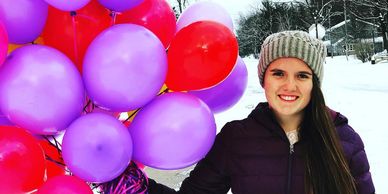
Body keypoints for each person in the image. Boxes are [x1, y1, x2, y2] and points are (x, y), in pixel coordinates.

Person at [145, 31, 375, 194]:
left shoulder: (345, 140)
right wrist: (137, 187)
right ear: (263, 79)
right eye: (278, 73)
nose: (289, 85)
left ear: (314, 83)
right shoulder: (235, 138)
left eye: (302, 76)